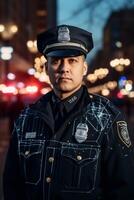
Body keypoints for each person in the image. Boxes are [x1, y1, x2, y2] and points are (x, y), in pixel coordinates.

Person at [3, 24, 134, 200]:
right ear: (46, 68)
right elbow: (12, 186)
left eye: (72, 60)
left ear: (84, 68)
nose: (64, 68)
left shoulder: (108, 119)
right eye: (56, 61)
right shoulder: (26, 119)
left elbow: (123, 189)